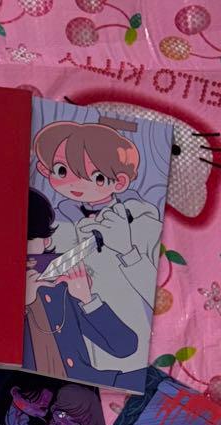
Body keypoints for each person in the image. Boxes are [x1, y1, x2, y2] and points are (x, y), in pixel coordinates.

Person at [33, 120, 161, 379]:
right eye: (62, 171)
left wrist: (128, 251)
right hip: (73, 356)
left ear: (120, 182)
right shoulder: (55, 228)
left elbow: (159, 294)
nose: (75, 183)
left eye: (96, 176)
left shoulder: (142, 223)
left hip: (133, 351)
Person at [22, 188, 138, 386]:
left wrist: (88, 300)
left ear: (46, 240)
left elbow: (125, 347)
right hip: (36, 389)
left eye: (28, 239)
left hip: (85, 384)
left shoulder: (59, 286)